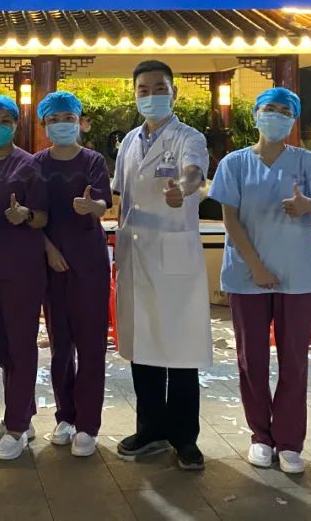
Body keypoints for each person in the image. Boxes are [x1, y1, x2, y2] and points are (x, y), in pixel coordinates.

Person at [208, 88, 311, 474]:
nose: (276, 115)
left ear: (293, 120)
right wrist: (257, 267)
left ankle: (290, 440)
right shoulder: (234, 163)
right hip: (247, 275)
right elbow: (230, 219)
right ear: (256, 114)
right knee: (251, 361)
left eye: (284, 111)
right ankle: (261, 437)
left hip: (296, 277)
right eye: (269, 108)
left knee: (294, 361)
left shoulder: (307, 162)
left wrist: (307, 205)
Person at [113, 60, 210, 471]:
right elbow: (121, 195)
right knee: (144, 345)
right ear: (134, 95)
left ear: (174, 93)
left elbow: (194, 174)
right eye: (143, 89)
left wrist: (182, 191)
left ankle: (185, 438)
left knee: (181, 348)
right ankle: (150, 428)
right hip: (136, 254)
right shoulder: (128, 142)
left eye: (159, 88)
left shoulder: (189, 137)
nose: (150, 95)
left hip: (174, 257)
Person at [0, 94, 49, 461]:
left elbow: (43, 217)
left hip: (21, 269)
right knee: (1, 348)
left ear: (16, 124)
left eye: (5, 120)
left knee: (20, 346)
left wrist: (26, 216)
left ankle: (16, 426)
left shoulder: (29, 166)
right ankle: (22, 414)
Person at [34, 91, 112, 458]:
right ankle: (65, 416)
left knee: (91, 345)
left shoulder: (93, 161)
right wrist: (48, 250)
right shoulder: (37, 164)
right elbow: (33, 215)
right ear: (44, 124)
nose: (61, 124)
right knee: (60, 346)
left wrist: (91, 206)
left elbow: (103, 203)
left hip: (90, 264)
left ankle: (88, 424)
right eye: (54, 119)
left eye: (68, 118)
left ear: (80, 121)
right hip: (53, 264)